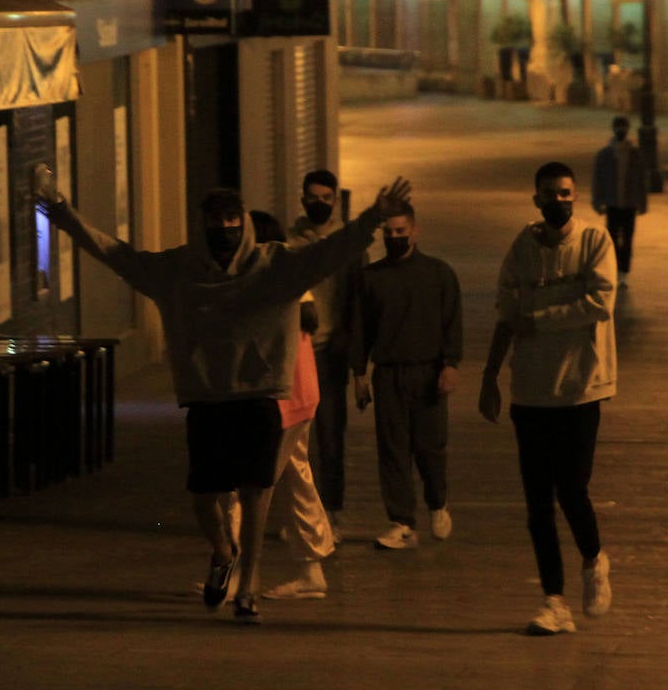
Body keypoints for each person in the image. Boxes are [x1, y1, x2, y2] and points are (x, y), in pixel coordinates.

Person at [39, 173, 409, 624]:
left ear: (243, 223)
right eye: (217, 221)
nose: (226, 229)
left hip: (258, 396)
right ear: (204, 224)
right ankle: (223, 551)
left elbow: (331, 252)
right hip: (207, 397)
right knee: (204, 496)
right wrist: (60, 210)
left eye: (233, 220)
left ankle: (247, 586)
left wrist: (373, 216)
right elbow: (116, 254)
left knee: (257, 496)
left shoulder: (275, 266)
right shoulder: (178, 271)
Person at [478, 161, 617, 636]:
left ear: (574, 196)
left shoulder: (595, 242)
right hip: (531, 392)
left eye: (565, 193)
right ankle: (553, 601)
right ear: (535, 198)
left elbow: (601, 301)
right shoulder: (522, 249)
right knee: (537, 501)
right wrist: (490, 374)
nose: (558, 201)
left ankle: (594, 559)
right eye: (548, 194)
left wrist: (541, 320)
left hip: (581, 388)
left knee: (571, 488)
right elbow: (505, 311)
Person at [350, 200, 462, 550]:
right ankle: (401, 522)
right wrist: (359, 374)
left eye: (401, 231)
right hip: (389, 373)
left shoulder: (438, 274)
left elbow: (452, 322)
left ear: (414, 230)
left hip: (428, 371)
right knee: (393, 449)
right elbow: (360, 329)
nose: (395, 237)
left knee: (431, 447)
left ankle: (437, 502)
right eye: (389, 232)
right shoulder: (371, 279)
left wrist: (451, 364)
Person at [249, 210, 336, 600]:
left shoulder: (268, 283)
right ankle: (311, 569)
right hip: (301, 394)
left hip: (282, 397)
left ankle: (236, 571)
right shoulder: (293, 280)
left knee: (249, 485)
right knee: (296, 478)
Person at [287, 170, 352, 543]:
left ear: (336, 201)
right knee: (295, 442)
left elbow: (356, 297)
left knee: (330, 438)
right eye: (313, 196)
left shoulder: (346, 244)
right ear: (302, 199)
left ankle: (332, 513)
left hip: (331, 353)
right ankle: (300, 516)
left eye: (326, 197)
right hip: (299, 351)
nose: (319, 203)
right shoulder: (291, 242)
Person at [591, 116, 648, 286]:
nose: (621, 130)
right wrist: (598, 201)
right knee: (612, 240)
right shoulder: (604, 155)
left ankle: (623, 272)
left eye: (623, 127)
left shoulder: (635, 154)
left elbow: (641, 180)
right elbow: (598, 180)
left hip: (629, 204)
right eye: (618, 127)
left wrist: (642, 202)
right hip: (612, 204)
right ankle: (614, 270)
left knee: (628, 240)